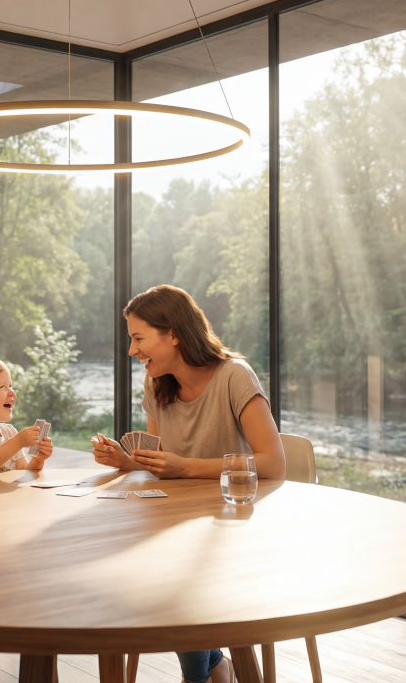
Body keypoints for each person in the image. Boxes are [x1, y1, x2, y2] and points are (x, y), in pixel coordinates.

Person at [91, 285, 284, 683]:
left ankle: (201, 674)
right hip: (177, 522)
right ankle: (214, 666)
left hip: (234, 527)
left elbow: (273, 464)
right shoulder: (156, 384)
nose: (132, 351)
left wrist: (185, 468)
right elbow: (163, 461)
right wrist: (127, 461)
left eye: (139, 338)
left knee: (175, 576)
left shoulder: (234, 376)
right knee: (123, 560)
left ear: (174, 334)